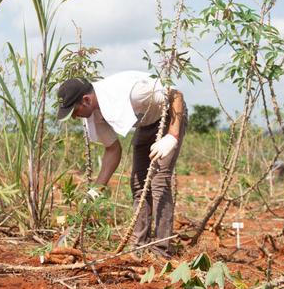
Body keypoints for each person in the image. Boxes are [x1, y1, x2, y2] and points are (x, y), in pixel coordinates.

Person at [56, 70, 187, 257]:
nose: (75, 117)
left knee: (159, 182)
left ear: (86, 100)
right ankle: (139, 248)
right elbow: (113, 150)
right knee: (138, 184)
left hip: (169, 117)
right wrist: (95, 191)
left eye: (75, 111)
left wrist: (172, 136)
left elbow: (175, 95)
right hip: (145, 124)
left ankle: (160, 250)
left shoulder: (133, 93)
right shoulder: (93, 115)